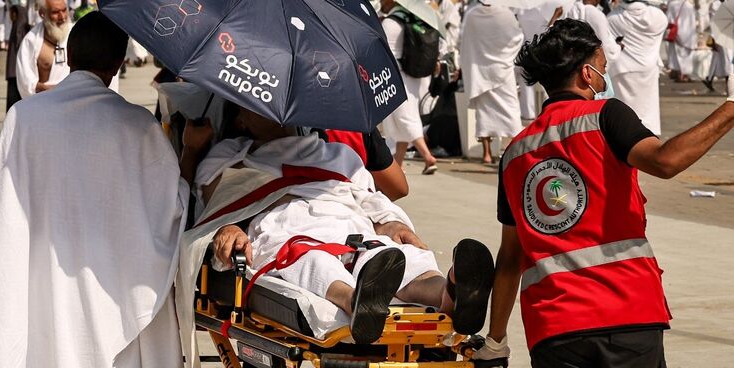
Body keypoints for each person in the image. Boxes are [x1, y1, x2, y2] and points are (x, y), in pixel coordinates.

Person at [474, 18, 734, 368]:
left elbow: (510, 258)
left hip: (556, 325)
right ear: (586, 73)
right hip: (629, 312)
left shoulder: (514, 153)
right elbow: (665, 162)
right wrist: (730, 110)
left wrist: (496, 339)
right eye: (602, 65)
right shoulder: (606, 116)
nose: (605, 74)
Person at [0, 12, 191, 368]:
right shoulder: (139, 127)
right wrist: (195, 152)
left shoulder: (24, 118)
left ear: (70, 56)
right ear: (117, 65)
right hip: (121, 295)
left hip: (50, 288)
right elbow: (172, 210)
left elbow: (0, 218)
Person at [187, 106, 493, 344]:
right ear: (241, 121)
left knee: (394, 254)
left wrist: (392, 223)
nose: (275, 112)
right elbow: (217, 206)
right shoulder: (228, 157)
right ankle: (355, 302)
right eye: (259, 107)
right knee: (313, 262)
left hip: (349, 227)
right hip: (288, 232)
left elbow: (369, 198)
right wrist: (229, 229)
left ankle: (449, 292)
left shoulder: (337, 153)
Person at [459, 1, 524, 164]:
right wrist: (505, 57)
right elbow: (517, 38)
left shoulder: (472, 15)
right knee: (510, 109)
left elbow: (464, 40)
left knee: (484, 112)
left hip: (480, 69)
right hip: (502, 69)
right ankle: (515, 150)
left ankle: (487, 154)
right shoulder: (506, 14)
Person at [379, 0, 438, 173]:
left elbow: (384, 51)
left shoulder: (391, 22)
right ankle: (398, 163)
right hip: (413, 75)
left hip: (397, 75)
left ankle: (428, 157)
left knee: (405, 118)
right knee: (402, 120)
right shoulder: (413, 18)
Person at [607, 0, 667, 135]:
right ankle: (649, 137)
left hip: (622, 69)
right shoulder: (658, 16)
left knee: (624, 110)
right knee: (648, 109)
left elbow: (609, 41)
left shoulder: (613, 18)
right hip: (648, 68)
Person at [16, 0, 72, 98]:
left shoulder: (77, 34)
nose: (62, 17)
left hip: (74, 100)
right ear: (42, 13)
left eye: (64, 10)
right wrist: (49, 90)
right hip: (45, 101)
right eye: (55, 12)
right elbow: (25, 82)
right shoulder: (31, 41)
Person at [6, 4, 30, 110]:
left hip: (14, 72)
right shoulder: (21, 27)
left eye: (13, 13)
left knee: (14, 104)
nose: (11, 16)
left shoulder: (19, 28)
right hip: (16, 72)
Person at [665, 0, 696, 82]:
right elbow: (693, 22)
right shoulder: (689, 5)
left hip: (676, 33)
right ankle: (685, 74)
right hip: (689, 34)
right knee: (687, 56)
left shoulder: (672, 5)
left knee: (676, 55)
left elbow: (669, 20)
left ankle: (679, 74)